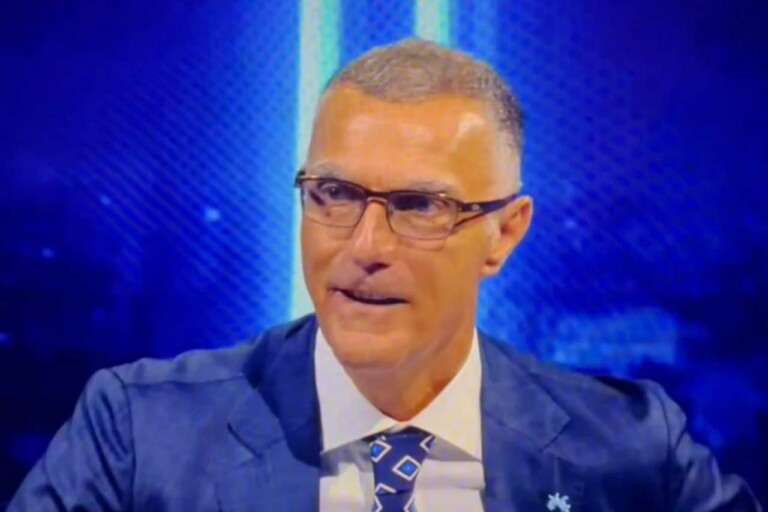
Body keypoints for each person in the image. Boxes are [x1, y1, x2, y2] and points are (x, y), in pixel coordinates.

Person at [8, 40, 761, 512]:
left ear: (504, 234)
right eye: (333, 194)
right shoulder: (137, 436)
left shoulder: (633, 454)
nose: (364, 245)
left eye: (418, 206)